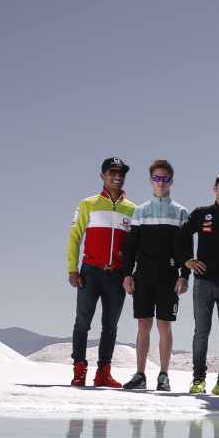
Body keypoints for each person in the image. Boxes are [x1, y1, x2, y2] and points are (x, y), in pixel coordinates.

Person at [66, 157, 138, 387]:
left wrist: (131, 274)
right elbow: (75, 238)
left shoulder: (133, 210)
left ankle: (103, 374)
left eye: (121, 173)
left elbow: (135, 247)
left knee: (110, 325)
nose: (117, 176)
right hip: (90, 272)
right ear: (103, 176)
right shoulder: (88, 204)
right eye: (112, 172)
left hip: (117, 275)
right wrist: (72, 269)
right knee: (83, 322)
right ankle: (79, 370)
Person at [119, 160, 190, 392]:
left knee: (164, 325)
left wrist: (185, 275)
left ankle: (163, 376)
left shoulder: (181, 212)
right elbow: (130, 247)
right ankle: (140, 375)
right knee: (143, 324)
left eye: (165, 178)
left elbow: (186, 248)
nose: (161, 182)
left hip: (170, 276)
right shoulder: (140, 211)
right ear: (151, 180)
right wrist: (127, 274)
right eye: (157, 178)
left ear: (171, 181)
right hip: (143, 276)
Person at [175, 171, 219, 394]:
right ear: (214, 188)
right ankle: (198, 380)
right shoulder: (201, 213)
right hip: (203, 283)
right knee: (201, 333)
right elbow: (180, 237)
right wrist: (186, 261)